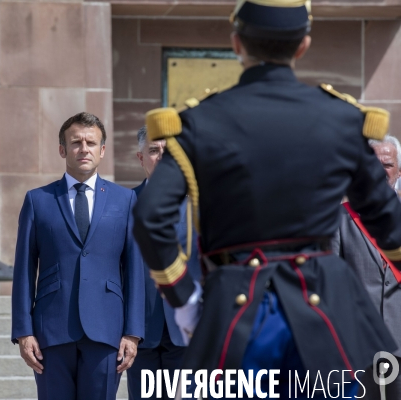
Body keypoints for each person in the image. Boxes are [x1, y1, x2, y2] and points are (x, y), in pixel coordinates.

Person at [132, 0, 401, 398]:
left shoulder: (198, 121)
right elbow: (390, 227)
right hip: (326, 311)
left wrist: (185, 302)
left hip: (234, 310)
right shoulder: (344, 119)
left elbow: (150, 219)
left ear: (237, 43)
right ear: (303, 45)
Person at [11, 112, 145, 400]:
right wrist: (24, 332)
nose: (83, 149)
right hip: (51, 332)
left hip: (107, 331)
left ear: (102, 150)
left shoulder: (125, 200)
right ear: (62, 149)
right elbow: (23, 270)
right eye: (76, 142)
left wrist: (132, 333)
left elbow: (134, 270)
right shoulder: (38, 200)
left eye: (91, 143)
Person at [127, 126, 200, 400]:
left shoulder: (199, 208)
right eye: (153, 151)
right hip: (141, 331)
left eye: (167, 153)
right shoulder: (124, 204)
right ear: (140, 158)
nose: (160, 158)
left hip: (187, 330)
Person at [332, 135, 401, 400]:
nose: (380, 171)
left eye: (387, 164)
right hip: (357, 344)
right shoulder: (340, 219)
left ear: (398, 170)